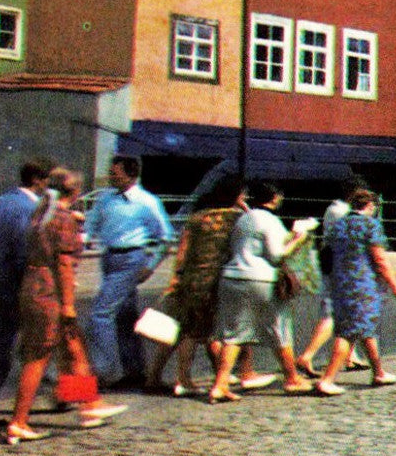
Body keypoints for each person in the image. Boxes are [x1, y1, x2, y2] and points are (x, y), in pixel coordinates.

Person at [3, 169, 127, 443]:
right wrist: (69, 305)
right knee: (39, 357)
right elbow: (64, 264)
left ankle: (88, 405)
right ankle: (19, 421)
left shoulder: (41, 214)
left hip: (32, 284)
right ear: (75, 193)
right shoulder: (64, 219)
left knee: (72, 346)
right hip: (51, 292)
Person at [144, 175, 270, 396]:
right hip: (217, 281)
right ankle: (187, 379)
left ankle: (163, 377)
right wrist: (245, 207)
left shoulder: (197, 218)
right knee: (201, 332)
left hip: (192, 279)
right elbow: (254, 228)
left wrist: (176, 278)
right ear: (236, 195)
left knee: (183, 329)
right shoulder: (237, 218)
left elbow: (182, 251)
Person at [209, 181, 315, 403]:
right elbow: (277, 255)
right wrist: (298, 239)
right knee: (279, 327)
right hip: (260, 278)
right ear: (274, 198)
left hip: (231, 277)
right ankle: (292, 378)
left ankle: (220, 385)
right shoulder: (270, 220)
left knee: (234, 335)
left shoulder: (243, 219)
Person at [83, 155, 174, 389]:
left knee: (101, 314)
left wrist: (151, 266)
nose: (111, 177)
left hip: (131, 258)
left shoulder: (147, 202)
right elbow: (90, 226)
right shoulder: (105, 200)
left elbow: (165, 237)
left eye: (116, 173)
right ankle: (135, 370)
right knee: (125, 316)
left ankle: (104, 370)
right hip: (109, 257)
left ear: (131, 175)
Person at [314, 189, 396, 394]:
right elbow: (380, 260)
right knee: (349, 333)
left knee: (364, 328)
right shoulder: (370, 226)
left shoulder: (338, 225)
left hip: (340, 283)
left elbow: (326, 253)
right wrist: (395, 287)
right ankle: (327, 380)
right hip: (363, 284)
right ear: (371, 206)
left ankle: (379, 372)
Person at [0, 159, 51, 425]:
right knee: (10, 347)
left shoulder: (5, 201)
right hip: (17, 286)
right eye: (47, 182)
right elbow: (27, 251)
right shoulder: (28, 208)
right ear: (37, 180)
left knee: (1, 342)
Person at [297, 176, 371, 379]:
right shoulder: (342, 212)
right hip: (341, 267)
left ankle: (350, 356)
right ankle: (307, 355)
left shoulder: (334, 209)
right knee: (333, 315)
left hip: (333, 264)